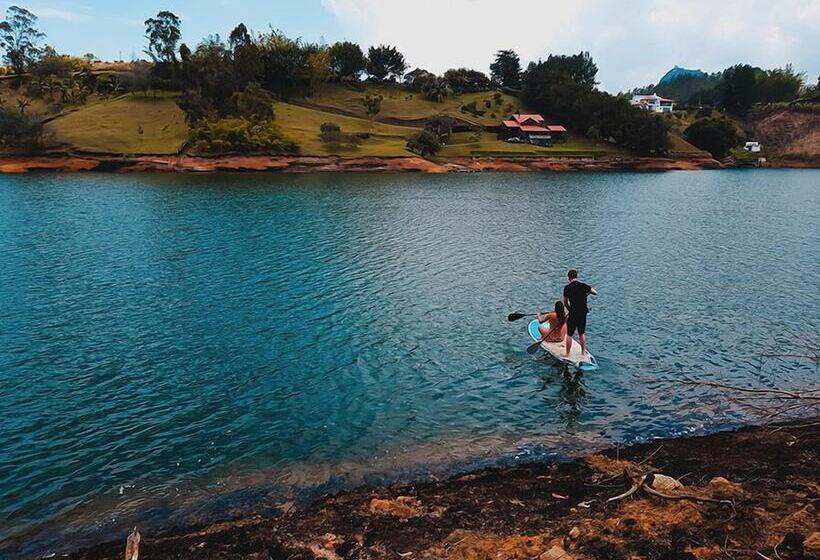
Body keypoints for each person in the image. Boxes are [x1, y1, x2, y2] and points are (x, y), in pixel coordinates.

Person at [563, 269, 597, 357]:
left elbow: (565, 302)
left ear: (569, 278)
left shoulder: (567, 288)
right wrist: (587, 293)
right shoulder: (584, 286)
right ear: (576, 276)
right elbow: (595, 292)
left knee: (569, 334)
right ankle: (582, 352)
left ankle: (567, 354)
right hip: (583, 313)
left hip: (573, 312)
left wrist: (569, 309)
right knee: (581, 333)